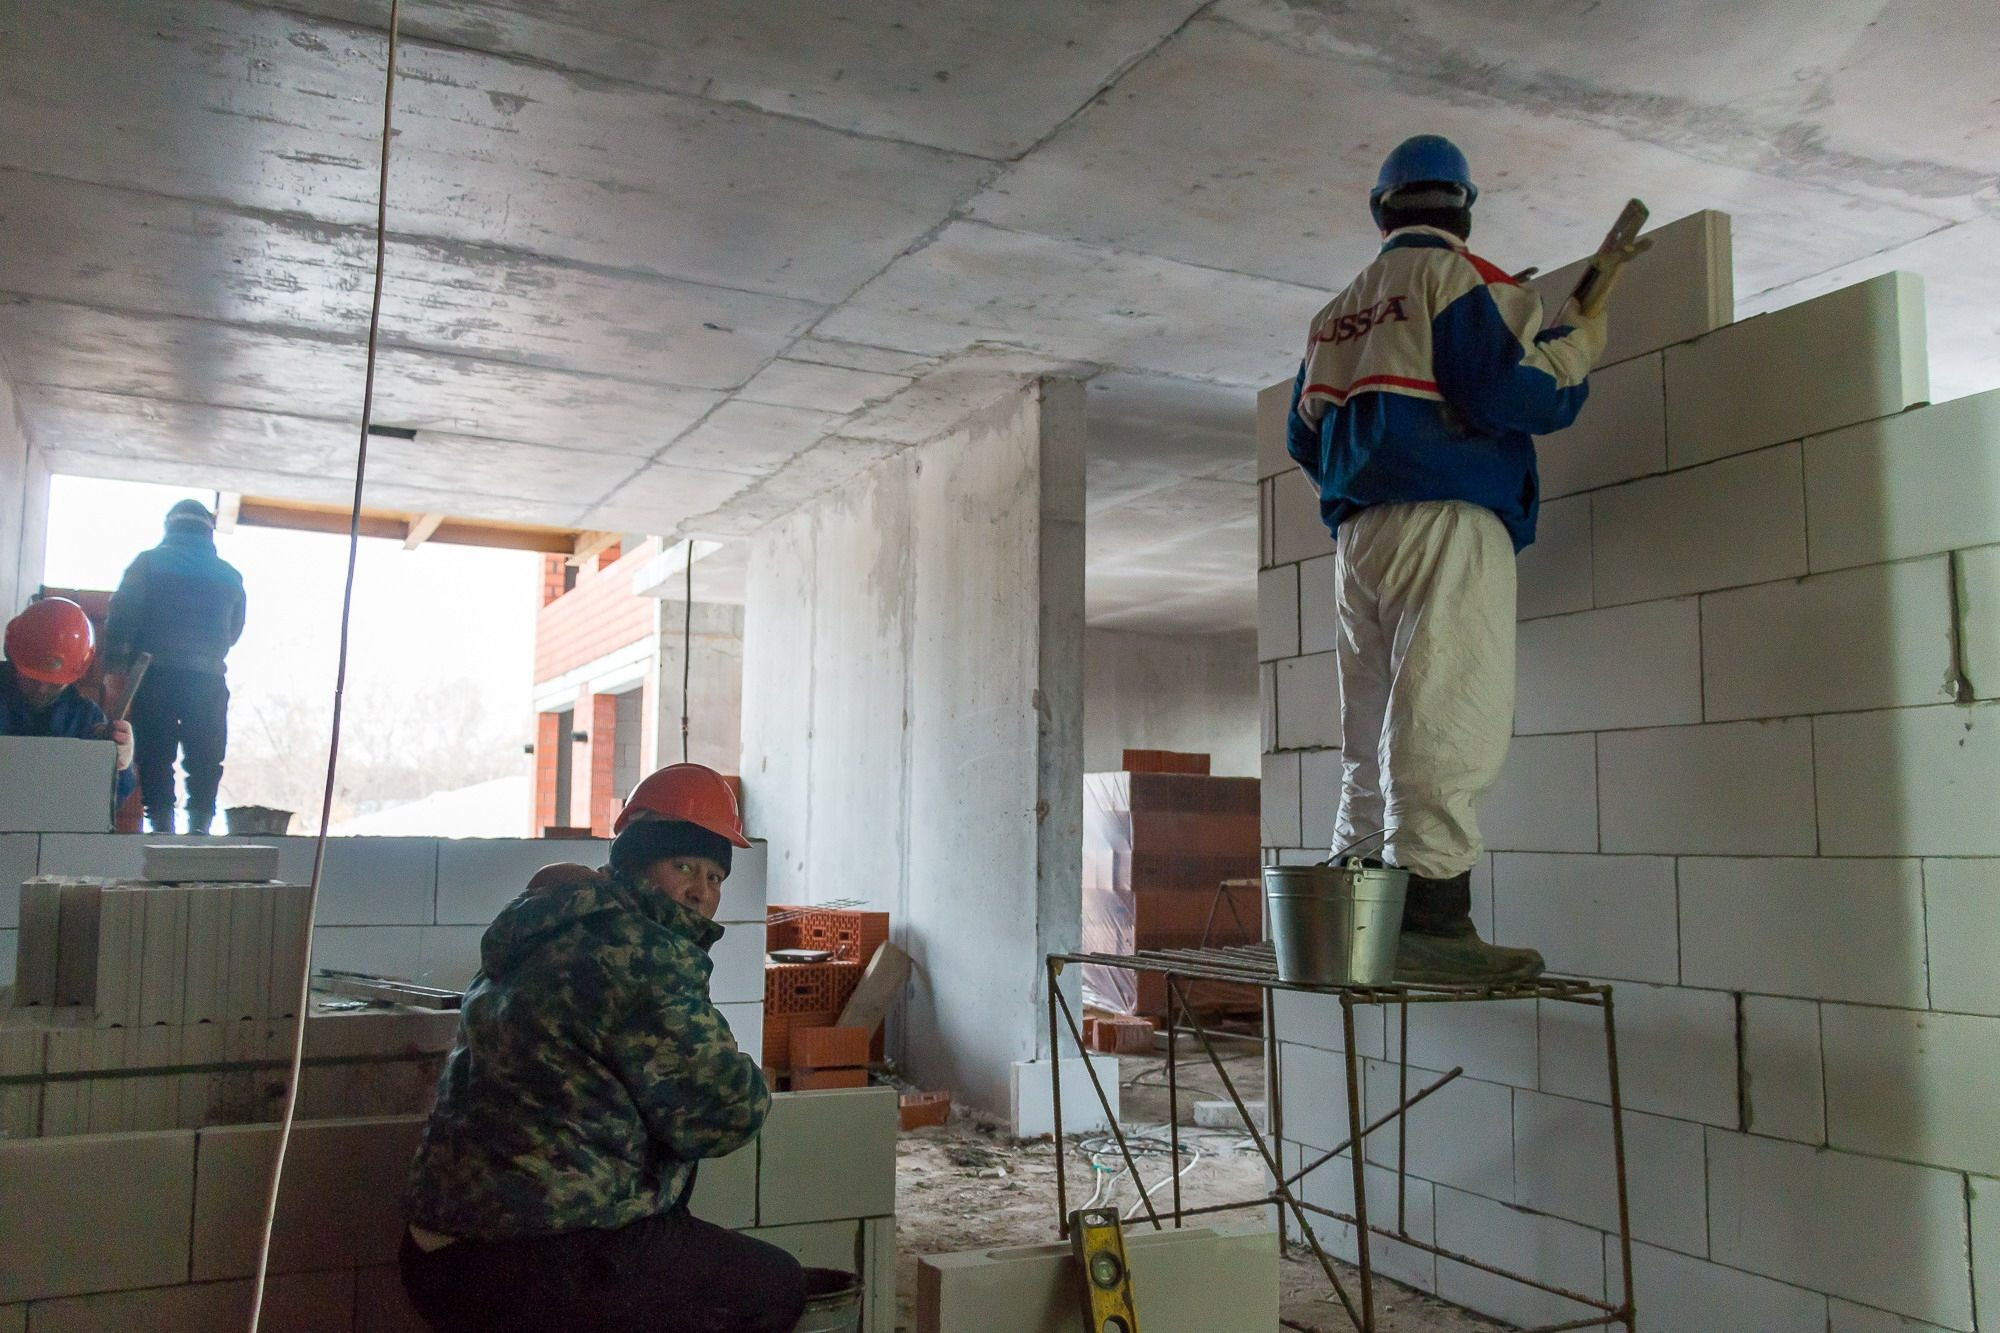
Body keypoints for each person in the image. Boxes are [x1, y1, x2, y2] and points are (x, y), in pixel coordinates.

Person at [1285, 134, 1613, 984]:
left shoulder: (1334, 315)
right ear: (1464, 208)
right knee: (1446, 704)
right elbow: (1511, 393)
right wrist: (1574, 345)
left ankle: (1358, 900)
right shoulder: (1460, 279)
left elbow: (1302, 436)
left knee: (1371, 723)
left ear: (1380, 210)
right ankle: (1432, 917)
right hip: (1447, 518)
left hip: (1359, 538)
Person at [400, 762, 804, 1333]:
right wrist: (751, 1076)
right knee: (774, 1288)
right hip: (535, 1255)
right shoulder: (640, 955)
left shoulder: (543, 929)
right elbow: (723, 1115)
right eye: (683, 865)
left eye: (716, 877)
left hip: (436, 1249)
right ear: (637, 864)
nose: (701, 893)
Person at [104, 498, 246, 835]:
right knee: (206, 758)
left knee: (155, 754)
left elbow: (120, 620)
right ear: (208, 533)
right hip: (208, 678)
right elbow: (234, 632)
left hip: (155, 675)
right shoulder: (230, 575)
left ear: (170, 527)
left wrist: (115, 671)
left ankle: (162, 829)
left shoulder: (148, 564)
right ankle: (199, 829)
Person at [1, 597, 136, 806]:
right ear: (13, 656)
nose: (42, 689)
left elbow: (106, 803)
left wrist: (119, 764)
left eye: (55, 683)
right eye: (32, 678)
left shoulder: (87, 720)